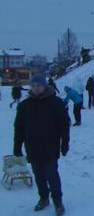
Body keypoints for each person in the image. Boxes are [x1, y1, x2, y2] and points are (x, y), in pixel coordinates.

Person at [13, 75, 69, 215]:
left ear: (44, 86)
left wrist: (65, 143)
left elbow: (63, 125)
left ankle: (57, 201)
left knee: (51, 174)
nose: (36, 88)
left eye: (39, 85)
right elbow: (19, 127)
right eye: (34, 85)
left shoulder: (56, 103)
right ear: (31, 87)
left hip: (50, 146)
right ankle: (43, 198)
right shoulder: (24, 106)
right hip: (33, 147)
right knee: (39, 175)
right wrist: (17, 146)